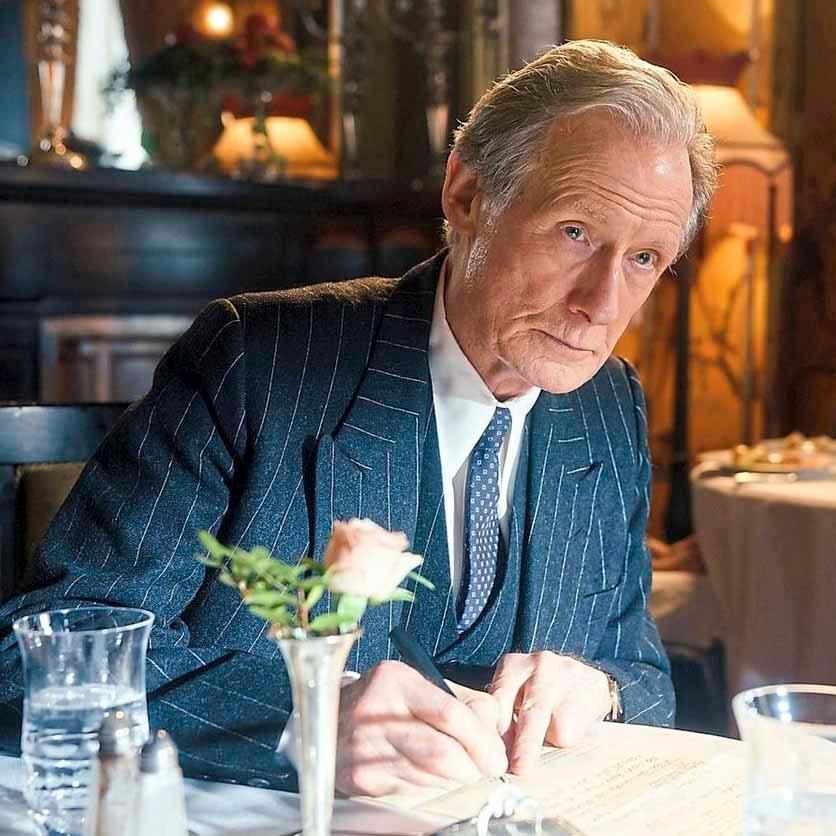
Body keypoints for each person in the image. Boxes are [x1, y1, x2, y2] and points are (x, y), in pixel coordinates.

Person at [0, 39, 716, 796]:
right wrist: (304, 722)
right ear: (467, 196)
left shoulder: (609, 405)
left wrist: (597, 689)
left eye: (644, 259)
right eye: (576, 233)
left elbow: (642, 678)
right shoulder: (256, 363)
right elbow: (36, 659)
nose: (601, 305)